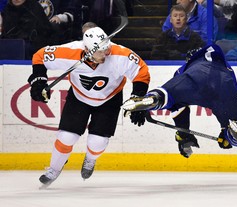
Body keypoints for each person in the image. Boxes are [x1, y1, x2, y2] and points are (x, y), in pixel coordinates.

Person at [28, 26, 150, 187]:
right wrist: (39, 80)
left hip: (110, 99)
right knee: (66, 137)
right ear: (86, 49)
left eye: (106, 49)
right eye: (100, 51)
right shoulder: (70, 51)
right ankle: (54, 169)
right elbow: (40, 56)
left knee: (97, 142)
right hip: (79, 97)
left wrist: (138, 100)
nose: (106, 54)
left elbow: (141, 72)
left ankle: (90, 159)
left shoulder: (119, 54)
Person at [122, 44, 237, 158]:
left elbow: (178, 108)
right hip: (219, 79)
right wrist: (227, 125)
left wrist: (183, 132)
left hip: (193, 77)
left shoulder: (182, 70)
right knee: (232, 112)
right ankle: (232, 131)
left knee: (170, 96)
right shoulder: (225, 66)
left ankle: (154, 99)